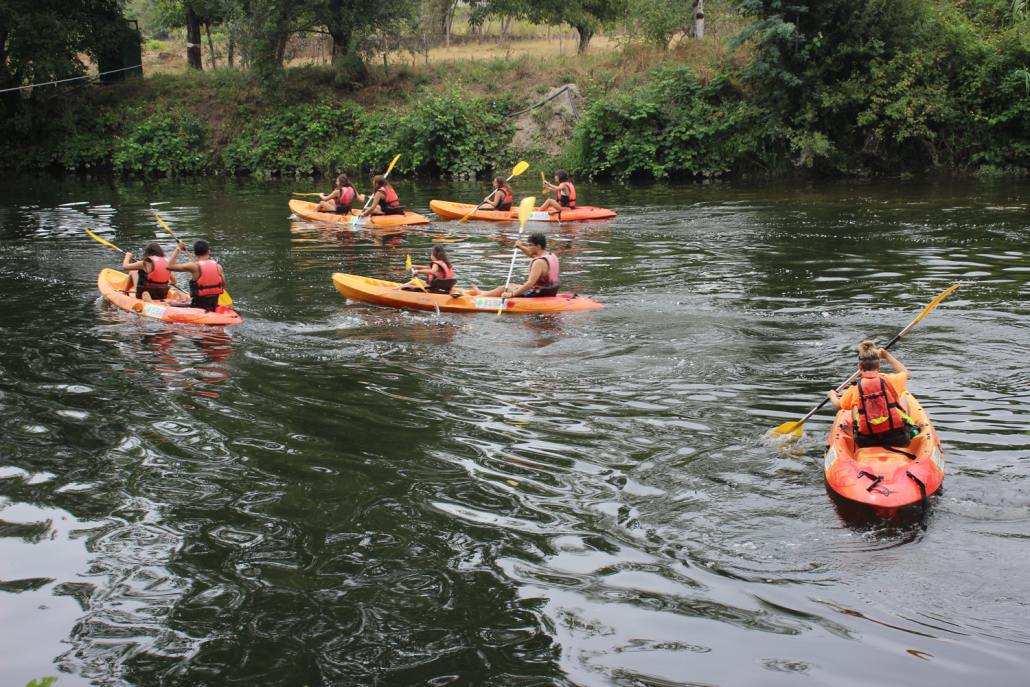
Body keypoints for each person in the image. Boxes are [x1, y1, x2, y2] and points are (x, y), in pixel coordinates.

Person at [828, 340, 917, 448]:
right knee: (903, 398)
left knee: (855, 406)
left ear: (860, 368)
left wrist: (832, 395)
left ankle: (856, 444)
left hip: (867, 440)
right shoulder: (890, 380)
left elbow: (837, 405)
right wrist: (887, 356)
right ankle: (908, 429)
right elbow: (906, 373)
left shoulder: (855, 388)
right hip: (897, 437)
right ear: (879, 367)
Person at [472, 233, 560, 298]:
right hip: (550, 291)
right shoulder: (551, 255)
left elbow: (530, 284)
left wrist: (511, 295)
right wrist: (520, 246)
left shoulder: (539, 262)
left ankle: (480, 297)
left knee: (504, 288)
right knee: (512, 285)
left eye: (530, 245)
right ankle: (483, 293)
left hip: (538, 294)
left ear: (538, 246)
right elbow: (530, 253)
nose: (528, 247)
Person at [167, 239, 226, 312]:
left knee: (169, 305)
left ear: (195, 253)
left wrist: (178, 248)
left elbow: (169, 266)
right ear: (208, 251)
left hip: (198, 307)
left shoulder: (194, 266)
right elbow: (223, 285)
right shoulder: (218, 267)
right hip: (213, 305)